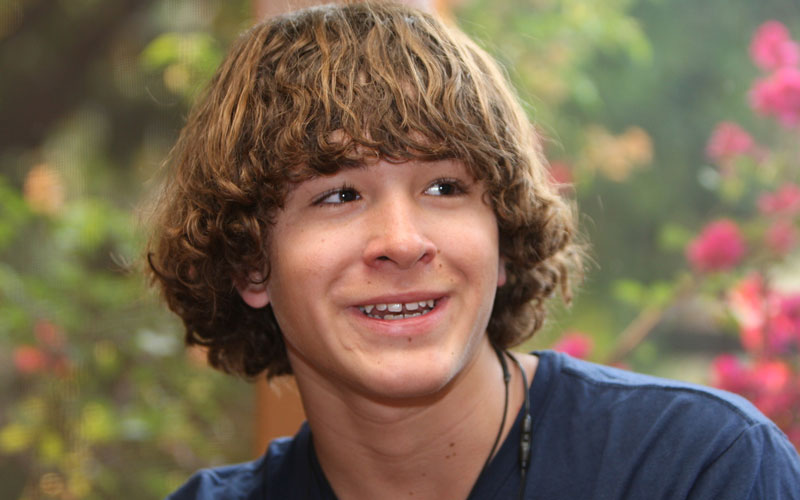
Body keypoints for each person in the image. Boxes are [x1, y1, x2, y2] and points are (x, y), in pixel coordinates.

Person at [146, 2, 800, 498]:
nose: (403, 243)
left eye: (444, 187)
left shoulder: (699, 469)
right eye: (339, 195)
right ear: (250, 263)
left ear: (504, 235)